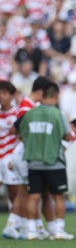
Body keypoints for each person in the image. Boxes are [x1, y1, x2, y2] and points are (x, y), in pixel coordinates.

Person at [19, 82, 74, 240]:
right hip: (54, 162)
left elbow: (22, 134)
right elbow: (67, 135)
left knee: (33, 196)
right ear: (56, 96)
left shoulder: (30, 113)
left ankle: (30, 231)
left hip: (33, 161)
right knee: (58, 196)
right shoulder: (58, 114)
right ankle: (59, 230)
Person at [1, 81, 25, 239]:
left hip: (9, 158)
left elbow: (23, 137)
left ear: (11, 95)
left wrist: (16, 157)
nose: (1, 97)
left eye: (4, 93)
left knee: (14, 193)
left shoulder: (18, 114)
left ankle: (15, 225)